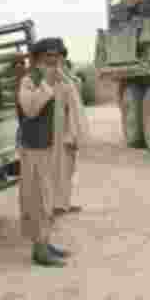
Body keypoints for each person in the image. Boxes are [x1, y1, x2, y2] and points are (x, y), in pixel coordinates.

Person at [16, 37, 73, 267]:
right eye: (49, 56)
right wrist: (48, 86)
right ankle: (39, 250)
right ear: (38, 58)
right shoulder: (30, 80)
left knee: (49, 197)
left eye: (57, 56)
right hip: (35, 149)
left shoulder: (55, 78)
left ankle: (45, 242)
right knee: (38, 198)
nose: (54, 60)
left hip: (50, 148)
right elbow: (30, 109)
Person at [53, 39, 88, 216]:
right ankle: (56, 205)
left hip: (68, 130)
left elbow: (75, 106)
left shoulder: (67, 77)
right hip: (59, 131)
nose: (60, 61)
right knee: (58, 168)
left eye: (61, 58)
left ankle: (64, 204)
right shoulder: (53, 78)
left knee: (68, 168)